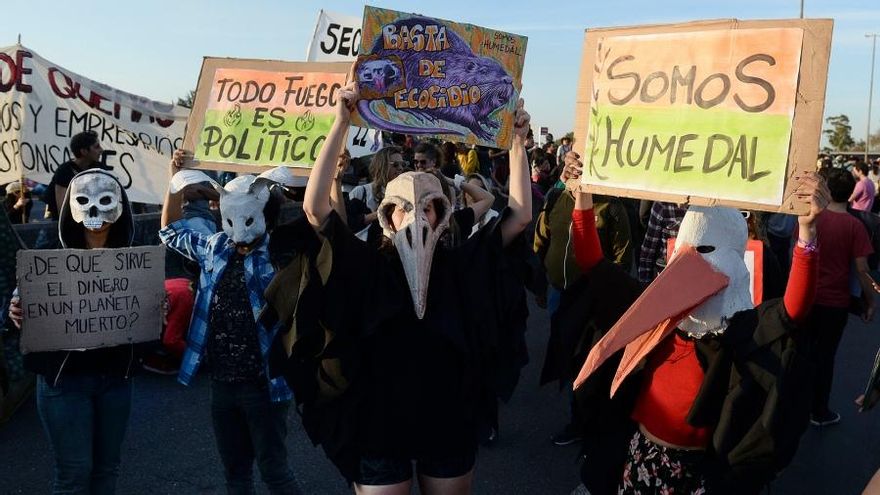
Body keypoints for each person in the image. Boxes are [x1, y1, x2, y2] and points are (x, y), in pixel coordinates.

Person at [269, 83, 532, 494]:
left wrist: (517, 143)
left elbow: (517, 216)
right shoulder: (365, 265)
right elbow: (315, 208)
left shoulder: (460, 262)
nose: (418, 215)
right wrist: (340, 123)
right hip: (379, 422)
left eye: (428, 205)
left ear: (444, 213)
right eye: (404, 207)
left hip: (447, 415)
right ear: (386, 216)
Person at [560, 153, 829, 494]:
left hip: (703, 472)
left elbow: (792, 312)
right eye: (685, 249)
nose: (692, 262)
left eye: (705, 249)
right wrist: (583, 194)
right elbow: (593, 262)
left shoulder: (741, 330)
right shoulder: (653, 312)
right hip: (642, 457)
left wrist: (807, 231)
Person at [159, 154, 302, 494]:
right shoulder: (215, 246)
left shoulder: (282, 254)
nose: (239, 231)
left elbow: (324, 228)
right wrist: (175, 180)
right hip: (222, 383)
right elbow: (170, 230)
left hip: (263, 384)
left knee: (275, 471)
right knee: (236, 474)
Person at [9, 169, 138, 494]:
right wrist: (13, 309)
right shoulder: (48, 252)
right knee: (74, 474)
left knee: (107, 470)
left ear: (120, 205)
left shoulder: (136, 260)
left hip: (115, 379)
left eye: (106, 201)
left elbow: (145, 330)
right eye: (84, 201)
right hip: (64, 382)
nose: (95, 213)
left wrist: (154, 312)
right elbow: (22, 297)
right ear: (71, 207)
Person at [808, 167, 875, 427]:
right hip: (835, 302)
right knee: (825, 357)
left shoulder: (811, 219)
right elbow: (862, 270)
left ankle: (795, 405)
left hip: (805, 297)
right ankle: (819, 411)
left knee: (801, 352)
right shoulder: (854, 226)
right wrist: (871, 301)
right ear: (850, 193)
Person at [46, 131, 109, 220]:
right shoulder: (64, 171)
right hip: (69, 225)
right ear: (84, 151)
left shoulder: (99, 169)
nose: (101, 150)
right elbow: (62, 209)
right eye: (96, 147)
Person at [637, 201, 687, 284]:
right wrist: (644, 285)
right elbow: (649, 248)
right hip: (668, 274)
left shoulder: (710, 204)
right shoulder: (663, 206)